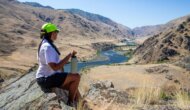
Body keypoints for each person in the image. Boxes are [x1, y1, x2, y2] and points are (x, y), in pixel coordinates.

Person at [36, 23, 81, 107]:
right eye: (55, 32)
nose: (57, 34)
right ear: (51, 33)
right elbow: (55, 67)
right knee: (76, 77)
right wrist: (69, 56)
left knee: (73, 86)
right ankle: (70, 104)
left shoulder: (44, 44)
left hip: (47, 77)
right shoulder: (47, 47)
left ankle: (82, 103)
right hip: (46, 79)